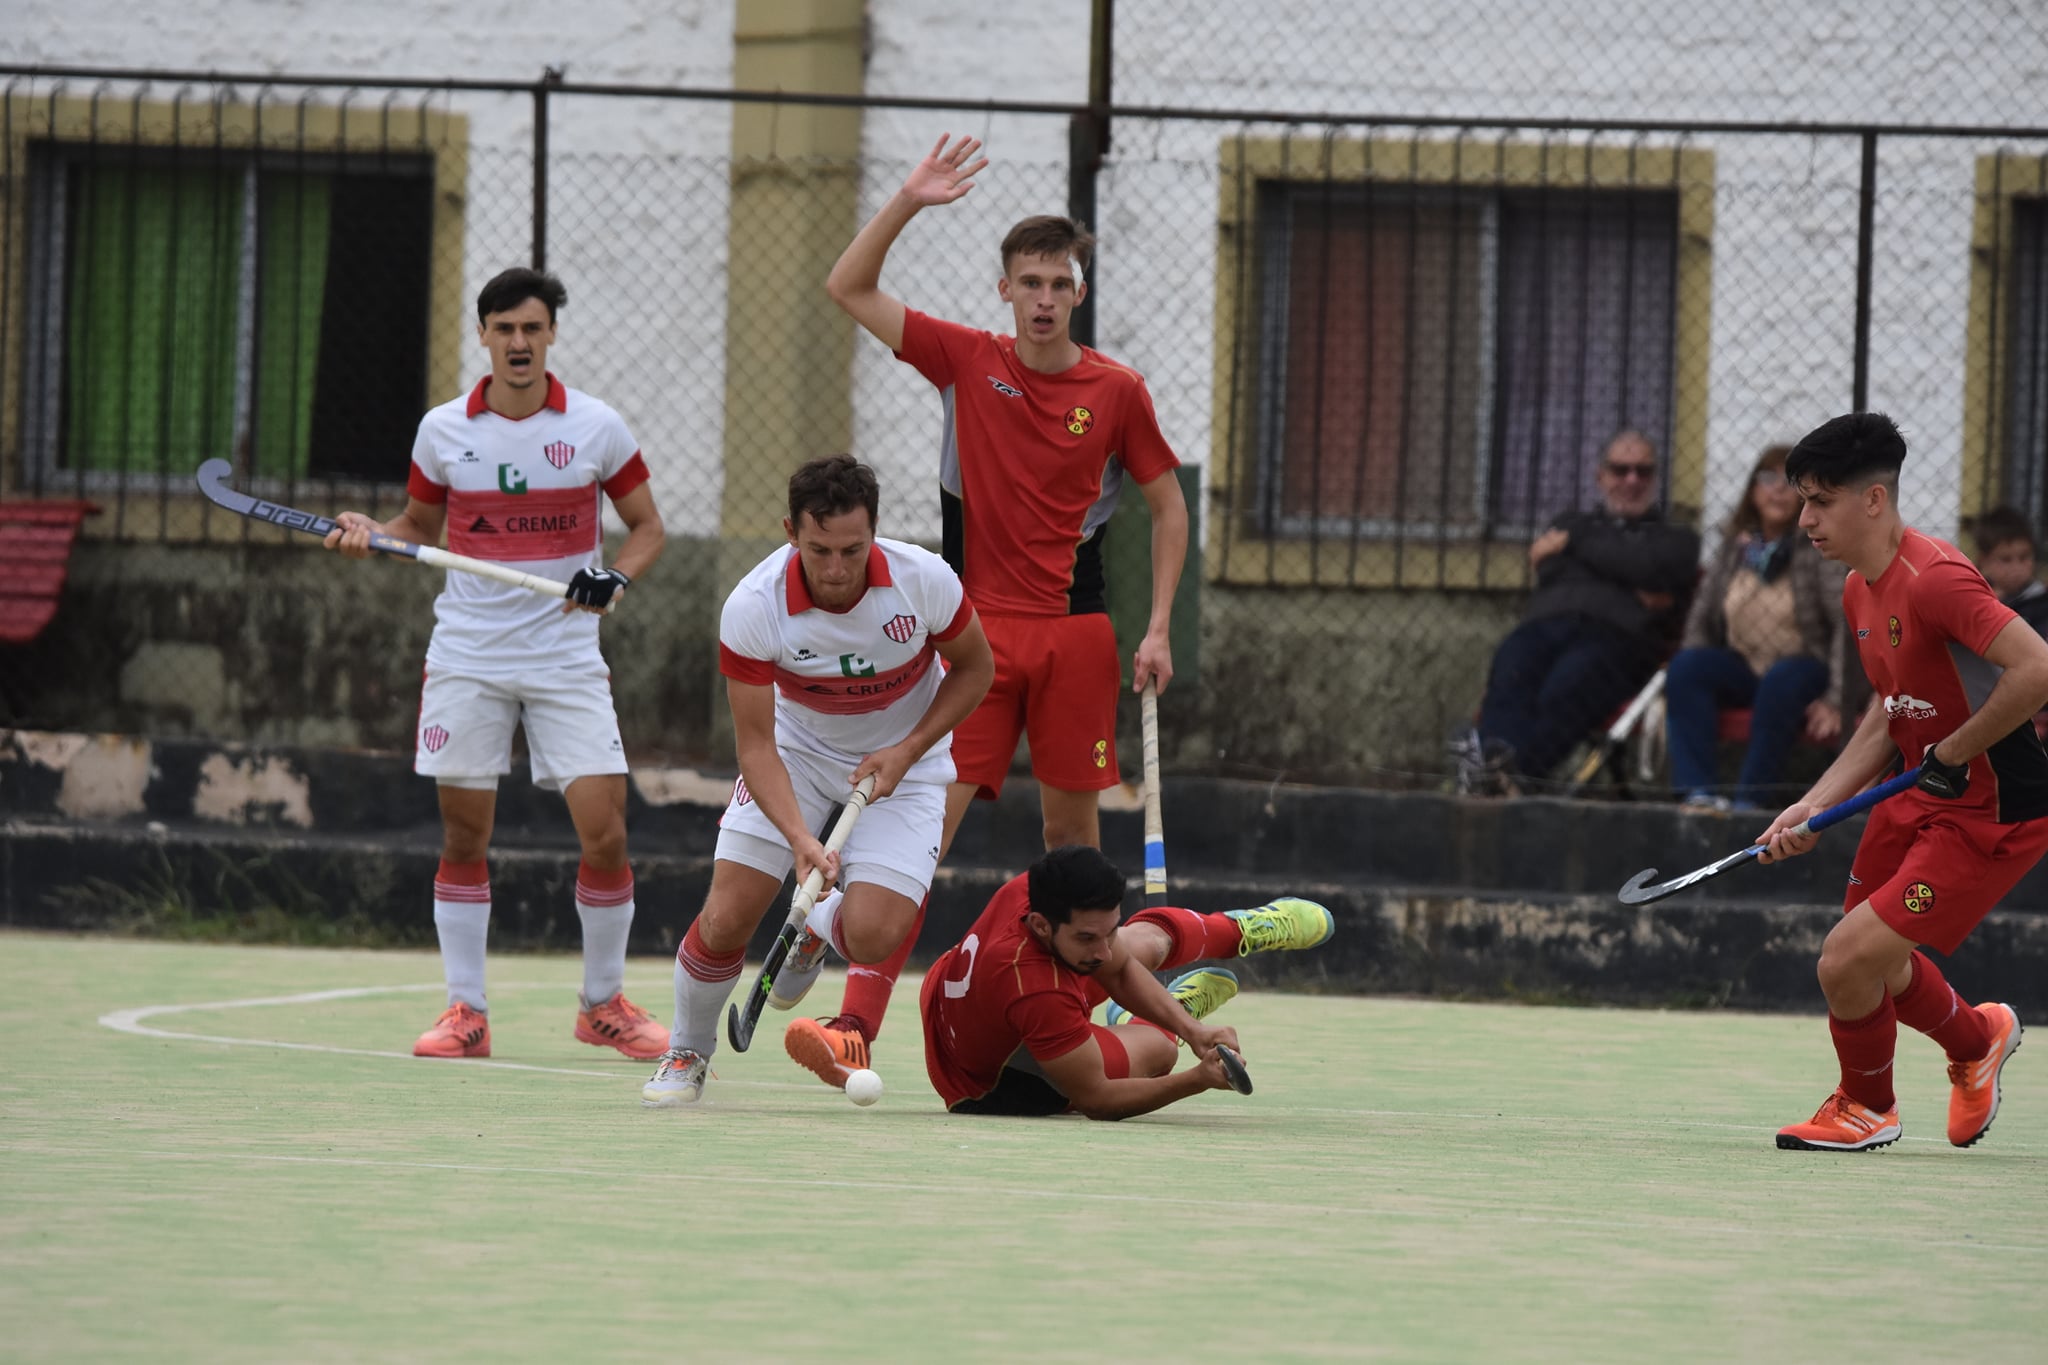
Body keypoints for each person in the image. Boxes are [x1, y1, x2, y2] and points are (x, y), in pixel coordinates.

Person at [814, 133, 1190, 1061]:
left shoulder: (1116, 391)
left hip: (1076, 641)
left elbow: (1167, 505)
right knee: (920, 833)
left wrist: (1157, 628)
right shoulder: (963, 359)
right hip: (973, 645)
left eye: (1061, 283)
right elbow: (847, 288)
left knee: (1070, 850)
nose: (1045, 299)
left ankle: (1075, 1018)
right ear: (1005, 290)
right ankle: (854, 1025)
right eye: (1030, 282)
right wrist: (906, 199)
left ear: (1079, 292)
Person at [325, 267, 668, 1061]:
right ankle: (465, 1012)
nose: (519, 342)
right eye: (504, 328)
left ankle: (602, 1004)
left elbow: (647, 527)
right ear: (482, 336)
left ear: (551, 336)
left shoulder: (596, 427)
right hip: (468, 655)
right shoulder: (443, 430)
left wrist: (614, 575)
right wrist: (366, 532)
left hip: (565, 655)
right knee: (464, 834)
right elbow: (414, 522)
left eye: (532, 328)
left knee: (605, 831)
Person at [641, 455, 994, 1106]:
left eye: (852, 550)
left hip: (904, 763)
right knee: (727, 916)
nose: (836, 570)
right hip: (796, 753)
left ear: (876, 531)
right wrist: (803, 838)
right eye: (819, 549)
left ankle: (818, 926)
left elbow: (977, 668)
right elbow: (755, 743)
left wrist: (909, 748)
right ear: (789, 531)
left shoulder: (923, 580)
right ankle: (688, 1049)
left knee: (876, 931)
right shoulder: (754, 605)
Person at [1757, 412, 2048, 1153]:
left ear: (1874, 500)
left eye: (1821, 500)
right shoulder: (1860, 587)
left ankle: (1867, 1107)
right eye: (1804, 501)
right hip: (1924, 793)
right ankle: (1978, 1037)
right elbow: (1891, 713)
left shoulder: (1936, 579)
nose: (1807, 519)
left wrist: (1955, 747)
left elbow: (2038, 667)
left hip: (1990, 811)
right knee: (1873, 962)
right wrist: (1814, 803)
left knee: (1846, 957)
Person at [920, 844, 1334, 1119]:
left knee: (1145, 944)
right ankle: (1159, 1016)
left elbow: (1116, 968)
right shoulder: (1036, 990)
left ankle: (1239, 930)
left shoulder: (1036, 890)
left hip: (980, 999)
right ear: (1042, 925)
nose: (1102, 950)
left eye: (1108, 930)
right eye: (1087, 937)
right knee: (1159, 1052)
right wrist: (1196, 1079)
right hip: (992, 1082)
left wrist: (1194, 1033)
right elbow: (1097, 1098)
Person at [1456, 430, 1700, 793]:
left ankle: (1505, 775)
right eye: (1620, 470)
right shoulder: (1570, 521)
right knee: (1513, 661)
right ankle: (1497, 764)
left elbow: (1655, 569)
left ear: (1655, 479)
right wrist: (1627, 574)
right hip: (1546, 626)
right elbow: (1552, 569)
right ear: (1600, 476)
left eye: (1642, 471)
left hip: (1617, 638)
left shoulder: (1676, 540)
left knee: (1571, 682)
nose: (1632, 480)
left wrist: (1578, 547)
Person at [1665, 444, 1847, 811]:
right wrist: (1695, 655)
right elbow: (1701, 617)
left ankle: (1750, 801)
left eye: (1789, 482)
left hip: (1804, 667)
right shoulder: (1736, 548)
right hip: (1745, 666)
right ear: (1752, 490)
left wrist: (1837, 699)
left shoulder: (1818, 548)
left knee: (1781, 680)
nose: (1777, 489)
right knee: (1686, 668)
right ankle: (1697, 794)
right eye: (1768, 479)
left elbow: (1848, 623)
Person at [1968, 505, 2048, 637]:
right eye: (2006, 559)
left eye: (2024, 557)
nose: (2017, 567)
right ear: (1984, 561)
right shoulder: (1974, 597)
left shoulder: (2040, 603)